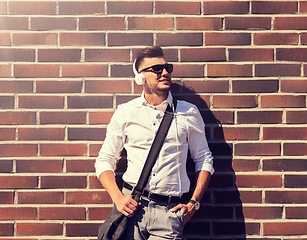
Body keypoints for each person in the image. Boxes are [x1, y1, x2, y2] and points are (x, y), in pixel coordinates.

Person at [95, 45, 214, 240]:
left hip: (169, 213)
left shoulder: (188, 112)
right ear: (140, 77)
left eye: (167, 68)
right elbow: (104, 160)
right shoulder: (126, 111)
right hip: (131, 210)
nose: (165, 73)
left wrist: (194, 203)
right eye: (157, 69)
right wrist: (118, 198)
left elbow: (204, 159)